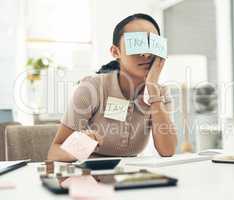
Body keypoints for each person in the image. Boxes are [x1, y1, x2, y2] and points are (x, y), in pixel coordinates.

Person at [47, 13, 177, 161]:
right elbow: (54, 152)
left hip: (132, 174)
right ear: (116, 52)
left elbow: (167, 151)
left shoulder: (160, 93)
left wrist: (153, 91)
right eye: (136, 43)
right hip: (91, 173)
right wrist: (81, 145)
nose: (146, 54)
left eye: (151, 43)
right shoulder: (92, 88)